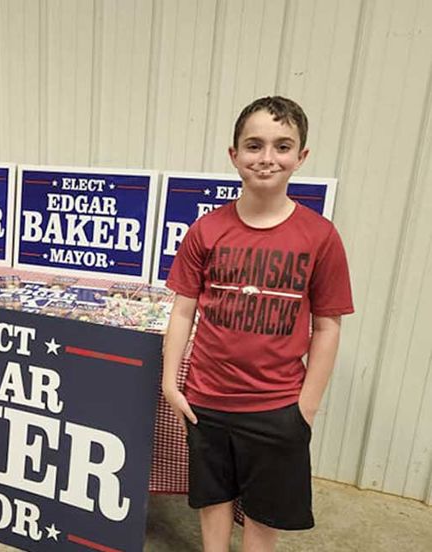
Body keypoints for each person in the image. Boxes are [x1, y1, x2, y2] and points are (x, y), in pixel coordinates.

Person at [162, 96, 353, 552]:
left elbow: (327, 327)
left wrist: (305, 408)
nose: (267, 158)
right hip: (207, 399)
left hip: (277, 405)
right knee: (214, 498)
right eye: (254, 145)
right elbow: (183, 310)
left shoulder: (320, 238)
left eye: (282, 146)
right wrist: (173, 383)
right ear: (234, 155)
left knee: (265, 514)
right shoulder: (206, 230)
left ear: (301, 157)